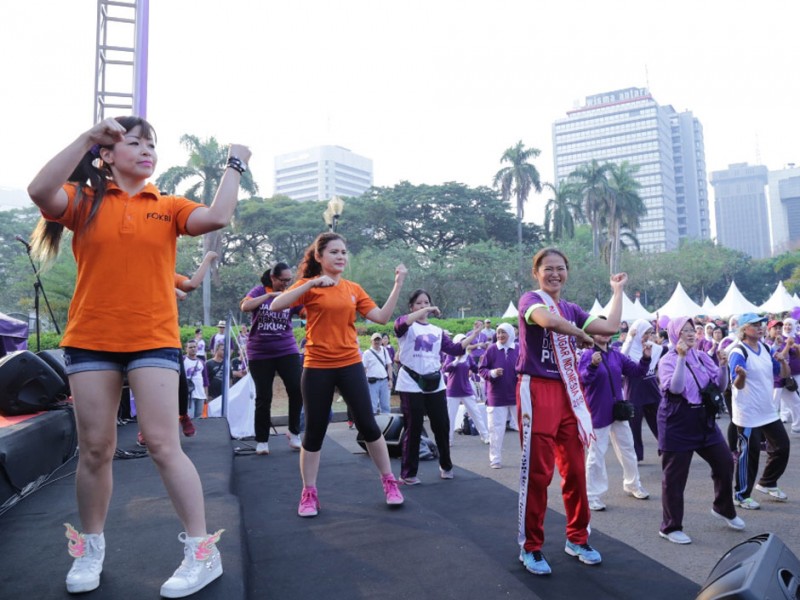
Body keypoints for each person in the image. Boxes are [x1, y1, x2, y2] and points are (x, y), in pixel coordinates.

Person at [28, 116, 248, 596]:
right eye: (135, 142)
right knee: (95, 449)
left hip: (152, 337)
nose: (147, 150)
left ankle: (202, 553)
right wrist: (86, 137)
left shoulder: (168, 205)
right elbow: (40, 191)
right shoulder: (83, 200)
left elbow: (216, 217)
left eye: (152, 144)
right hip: (91, 338)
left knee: (164, 444)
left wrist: (236, 162)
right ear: (106, 154)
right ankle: (90, 549)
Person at [270, 232, 407, 516]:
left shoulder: (353, 288)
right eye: (334, 252)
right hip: (317, 366)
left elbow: (381, 317)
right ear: (319, 257)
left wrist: (398, 284)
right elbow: (276, 305)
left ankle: (389, 482)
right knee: (314, 431)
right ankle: (309, 493)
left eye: (344, 252)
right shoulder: (309, 286)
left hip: (349, 364)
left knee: (368, 425)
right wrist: (311, 283)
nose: (341, 256)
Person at [516, 247, 626, 576]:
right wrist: (579, 332)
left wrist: (617, 291)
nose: (555, 274)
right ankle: (531, 546)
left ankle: (577, 538)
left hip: (568, 392)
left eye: (560, 268)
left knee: (576, 470)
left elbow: (611, 326)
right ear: (536, 273)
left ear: (567, 272)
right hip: (537, 390)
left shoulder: (572, 309)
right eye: (548, 268)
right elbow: (546, 321)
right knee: (538, 473)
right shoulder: (530, 300)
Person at [657, 316, 743, 545]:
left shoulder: (703, 357)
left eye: (692, 329)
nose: (690, 333)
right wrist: (681, 358)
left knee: (725, 461)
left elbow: (721, 386)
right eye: (684, 330)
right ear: (674, 334)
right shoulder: (667, 360)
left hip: (704, 419)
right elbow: (676, 389)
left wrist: (723, 366)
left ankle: (723, 508)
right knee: (675, 477)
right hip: (677, 422)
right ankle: (670, 527)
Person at [393, 289, 478, 484]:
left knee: (441, 425)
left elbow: (455, 349)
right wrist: (427, 310)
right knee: (413, 427)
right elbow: (399, 325)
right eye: (419, 303)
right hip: (410, 383)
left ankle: (446, 466)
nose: (423, 306)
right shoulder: (406, 326)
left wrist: (475, 334)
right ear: (411, 307)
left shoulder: (437, 331)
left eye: (426, 303)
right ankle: (408, 473)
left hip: (435, 383)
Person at [580, 326, 651, 511]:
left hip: (619, 411)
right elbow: (583, 380)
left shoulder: (616, 355)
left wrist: (645, 358)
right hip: (598, 412)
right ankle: (592, 495)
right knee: (596, 455)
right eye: (599, 329)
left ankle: (633, 484)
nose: (604, 332)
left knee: (628, 448)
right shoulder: (587, 355)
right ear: (591, 333)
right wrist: (592, 366)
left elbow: (637, 372)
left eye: (607, 329)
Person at [728, 313, 792, 510]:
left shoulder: (765, 348)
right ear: (744, 329)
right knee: (750, 453)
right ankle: (741, 495)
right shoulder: (738, 352)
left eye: (761, 324)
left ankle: (767, 482)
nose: (760, 327)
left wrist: (782, 361)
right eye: (755, 325)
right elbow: (737, 385)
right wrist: (741, 376)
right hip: (748, 412)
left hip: (767, 410)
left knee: (782, 446)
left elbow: (783, 374)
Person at [240, 263, 304, 455]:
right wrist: (269, 296)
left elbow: (305, 312)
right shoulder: (259, 291)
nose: (286, 284)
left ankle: (294, 432)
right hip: (260, 353)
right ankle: (262, 440)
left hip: (287, 349)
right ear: (273, 278)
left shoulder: (290, 294)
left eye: (289, 280)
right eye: (283, 280)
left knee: (297, 389)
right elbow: (245, 306)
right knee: (264, 396)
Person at [620, 319, 664, 462]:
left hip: (651, 388)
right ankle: (636, 455)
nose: (647, 336)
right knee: (634, 425)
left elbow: (660, 350)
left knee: (660, 421)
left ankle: (666, 448)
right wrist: (630, 339)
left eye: (650, 333)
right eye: (645, 333)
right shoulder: (628, 348)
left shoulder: (653, 348)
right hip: (634, 391)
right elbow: (622, 356)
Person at [479, 323, 519, 469]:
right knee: (496, 429)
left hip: (516, 395)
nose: (500, 335)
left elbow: (526, 366)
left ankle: (528, 457)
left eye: (503, 332)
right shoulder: (492, 349)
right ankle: (495, 459)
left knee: (525, 428)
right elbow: (482, 369)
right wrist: (492, 373)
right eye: (498, 332)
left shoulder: (519, 349)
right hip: (496, 396)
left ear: (511, 334)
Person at [443, 334, 490, 445]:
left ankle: (485, 436)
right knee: (450, 417)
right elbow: (445, 368)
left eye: (466, 341)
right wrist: (456, 361)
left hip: (466, 390)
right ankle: (448, 440)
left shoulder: (468, 356)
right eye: (462, 341)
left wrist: (482, 364)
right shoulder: (451, 355)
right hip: (453, 391)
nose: (464, 344)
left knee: (476, 414)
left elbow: (476, 369)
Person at [363, 332, 393, 415]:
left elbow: (389, 365)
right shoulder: (367, 353)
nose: (377, 342)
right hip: (372, 383)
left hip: (384, 381)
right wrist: (364, 382)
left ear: (381, 341)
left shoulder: (384, 351)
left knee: (386, 406)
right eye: (375, 340)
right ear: (371, 341)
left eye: (378, 340)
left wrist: (390, 380)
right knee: (373, 406)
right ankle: (373, 422)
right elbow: (364, 369)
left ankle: (386, 422)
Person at [184, 340, 209, 419]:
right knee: (189, 417)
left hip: (200, 394)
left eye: (194, 347)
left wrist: (206, 395)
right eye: (190, 347)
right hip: (188, 395)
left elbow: (205, 380)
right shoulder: (183, 360)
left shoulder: (202, 362)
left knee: (199, 418)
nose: (193, 349)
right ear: (186, 349)